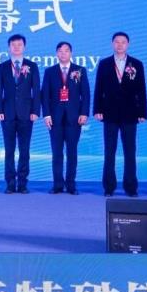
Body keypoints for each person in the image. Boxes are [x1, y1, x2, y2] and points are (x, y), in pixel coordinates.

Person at [93, 32, 147, 197]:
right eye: (117, 42)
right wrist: (97, 110)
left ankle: (131, 187)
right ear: (112, 44)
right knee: (109, 152)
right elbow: (98, 88)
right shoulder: (104, 63)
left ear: (128, 45)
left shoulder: (136, 64)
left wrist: (142, 112)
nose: (120, 45)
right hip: (109, 113)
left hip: (130, 114)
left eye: (123, 42)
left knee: (130, 152)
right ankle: (109, 187)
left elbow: (141, 90)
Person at [41, 41, 90, 194]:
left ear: (71, 53)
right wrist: (46, 115)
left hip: (74, 118)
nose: (63, 54)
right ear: (57, 53)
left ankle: (71, 185)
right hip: (54, 118)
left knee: (72, 152)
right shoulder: (50, 71)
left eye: (66, 51)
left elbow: (86, 94)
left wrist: (84, 113)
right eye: (60, 51)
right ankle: (57, 185)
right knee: (57, 153)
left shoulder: (79, 70)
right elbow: (45, 95)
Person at [0, 34, 41, 194]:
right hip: (7, 114)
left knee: (24, 150)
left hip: (26, 114)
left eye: (19, 44)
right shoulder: (2, 67)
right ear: (9, 48)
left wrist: (35, 111)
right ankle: (10, 183)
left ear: (24, 47)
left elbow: (36, 90)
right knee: (9, 150)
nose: (16, 47)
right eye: (13, 45)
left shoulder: (32, 66)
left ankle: (22, 183)